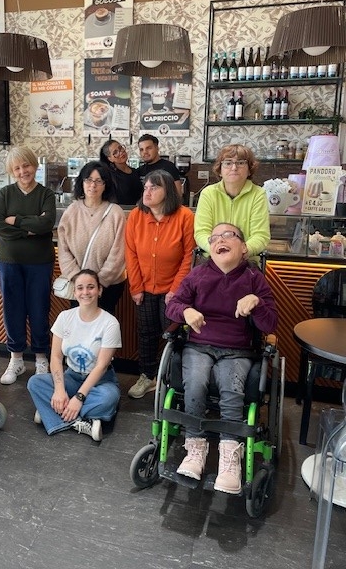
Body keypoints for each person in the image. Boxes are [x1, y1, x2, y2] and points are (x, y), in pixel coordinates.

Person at [166, 223, 277, 494]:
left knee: (231, 387)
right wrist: (186, 312)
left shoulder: (254, 279)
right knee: (195, 382)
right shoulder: (197, 275)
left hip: (237, 349)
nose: (220, 240)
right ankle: (195, 450)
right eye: (214, 238)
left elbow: (270, 324)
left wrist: (256, 302)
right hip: (199, 345)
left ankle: (230, 457)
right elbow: (173, 306)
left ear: (243, 248)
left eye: (228, 235)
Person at [27, 269, 121, 442]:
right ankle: (80, 420)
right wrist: (59, 390)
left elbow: (101, 366)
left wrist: (78, 398)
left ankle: (54, 411)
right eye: (80, 288)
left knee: (109, 397)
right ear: (74, 292)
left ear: (99, 290)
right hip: (71, 377)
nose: (85, 292)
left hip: (100, 381)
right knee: (35, 382)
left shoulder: (110, 323)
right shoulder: (65, 317)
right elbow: (56, 357)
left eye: (91, 287)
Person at [125, 169, 195, 399]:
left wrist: (176, 289)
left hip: (173, 291)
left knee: (172, 335)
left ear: (168, 191)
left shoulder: (185, 216)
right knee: (146, 333)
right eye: (145, 187)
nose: (147, 192)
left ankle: (171, 380)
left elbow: (189, 256)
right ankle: (147, 376)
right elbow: (130, 253)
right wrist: (136, 287)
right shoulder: (136, 216)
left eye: (154, 187)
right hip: (144, 288)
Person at [0, 145, 56, 385]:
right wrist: (29, 230)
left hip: (40, 262)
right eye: (16, 168)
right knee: (12, 309)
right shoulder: (5, 193)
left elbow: (46, 224)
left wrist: (16, 221)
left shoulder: (46, 194)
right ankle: (15, 358)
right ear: (12, 172)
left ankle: (41, 358)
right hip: (9, 261)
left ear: (34, 165)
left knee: (39, 309)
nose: (22, 171)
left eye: (26, 165)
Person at [57, 161, 126, 315]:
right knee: (79, 322)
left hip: (108, 286)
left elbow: (119, 253)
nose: (93, 185)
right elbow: (63, 249)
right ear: (81, 182)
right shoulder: (72, 211)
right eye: (88, 180)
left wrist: (98, 282)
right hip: (78, 285)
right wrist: (79, 279)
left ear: (106, 185)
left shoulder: (116, 213)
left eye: (98, 181)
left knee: (104, 323)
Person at [194, 144, 270, 258]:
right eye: (228, 163)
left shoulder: (258, 194)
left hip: (246, 260)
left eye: (240, 163)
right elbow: (201, 232)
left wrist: (240, 252)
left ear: (249, 170)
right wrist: (218, 251)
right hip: (213, 259)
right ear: (220, 170)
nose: (234, 168)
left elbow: (260, 235)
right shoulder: (208, 193)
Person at [99, 139, 143, 205]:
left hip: (139, 209)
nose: (120, 152)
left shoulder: (136, 172)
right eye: (115, 153)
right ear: (110, 158)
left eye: (120, 148)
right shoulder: (110, 176)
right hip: (121, 210)